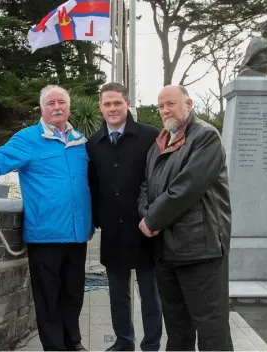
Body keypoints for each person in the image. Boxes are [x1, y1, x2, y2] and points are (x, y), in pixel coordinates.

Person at [0, 85, 92, 351]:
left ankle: (73, 342)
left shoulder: (80, 141)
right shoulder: (28, 138)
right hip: (46, 234)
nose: (57, 107)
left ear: (69, 107)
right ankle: (55, 347)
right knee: (48, 298)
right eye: (51, 103)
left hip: (78, 234)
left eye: (62, 103)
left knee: (73, 295)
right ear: (42, 109)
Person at [138, 85, 233, 351]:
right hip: (166, 250)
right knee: (177, 328)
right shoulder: (160, 141)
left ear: (188, 104)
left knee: (211, 328)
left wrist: (152, 220)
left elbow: (186, 187)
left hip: (199, 249)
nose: (165, 110)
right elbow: (146, 185)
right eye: (161, 106)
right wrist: (146, 216)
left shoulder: (205, 137)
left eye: (171, 103)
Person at [87, 83, 162, 351]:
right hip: (112, 232)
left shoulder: (150, 136)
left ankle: (151, 344)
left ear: (127, 103)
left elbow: (159, 180)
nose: (112, 109)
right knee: (117, 295)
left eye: (117, 103)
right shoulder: (93, 143)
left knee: (150, 294)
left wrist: (156, 218)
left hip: (145, 229)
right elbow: (92, 185)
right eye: (107, 104)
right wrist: (95, 221)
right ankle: (123, 341)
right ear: (100, 107)